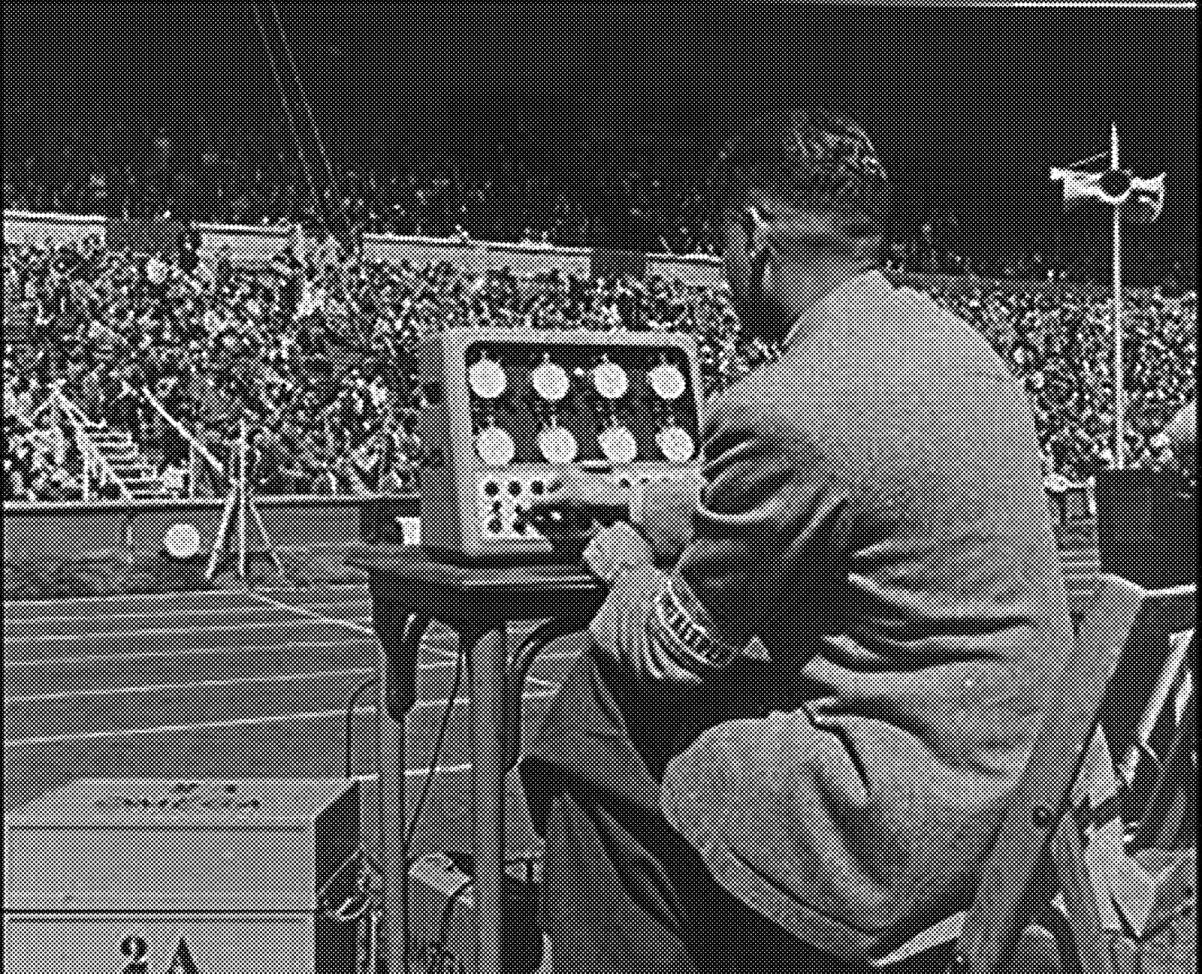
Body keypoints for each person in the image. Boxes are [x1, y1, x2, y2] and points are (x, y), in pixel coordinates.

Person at [521, 110, 1075, 974]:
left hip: (901, 824)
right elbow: (825, 490)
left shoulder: (782, 404)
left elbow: (672, 648)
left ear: (751, 236)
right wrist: (630, 496)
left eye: (721, 246)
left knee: (596, 713)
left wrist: (624, 562)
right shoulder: (965, 354)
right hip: (1020, 786)